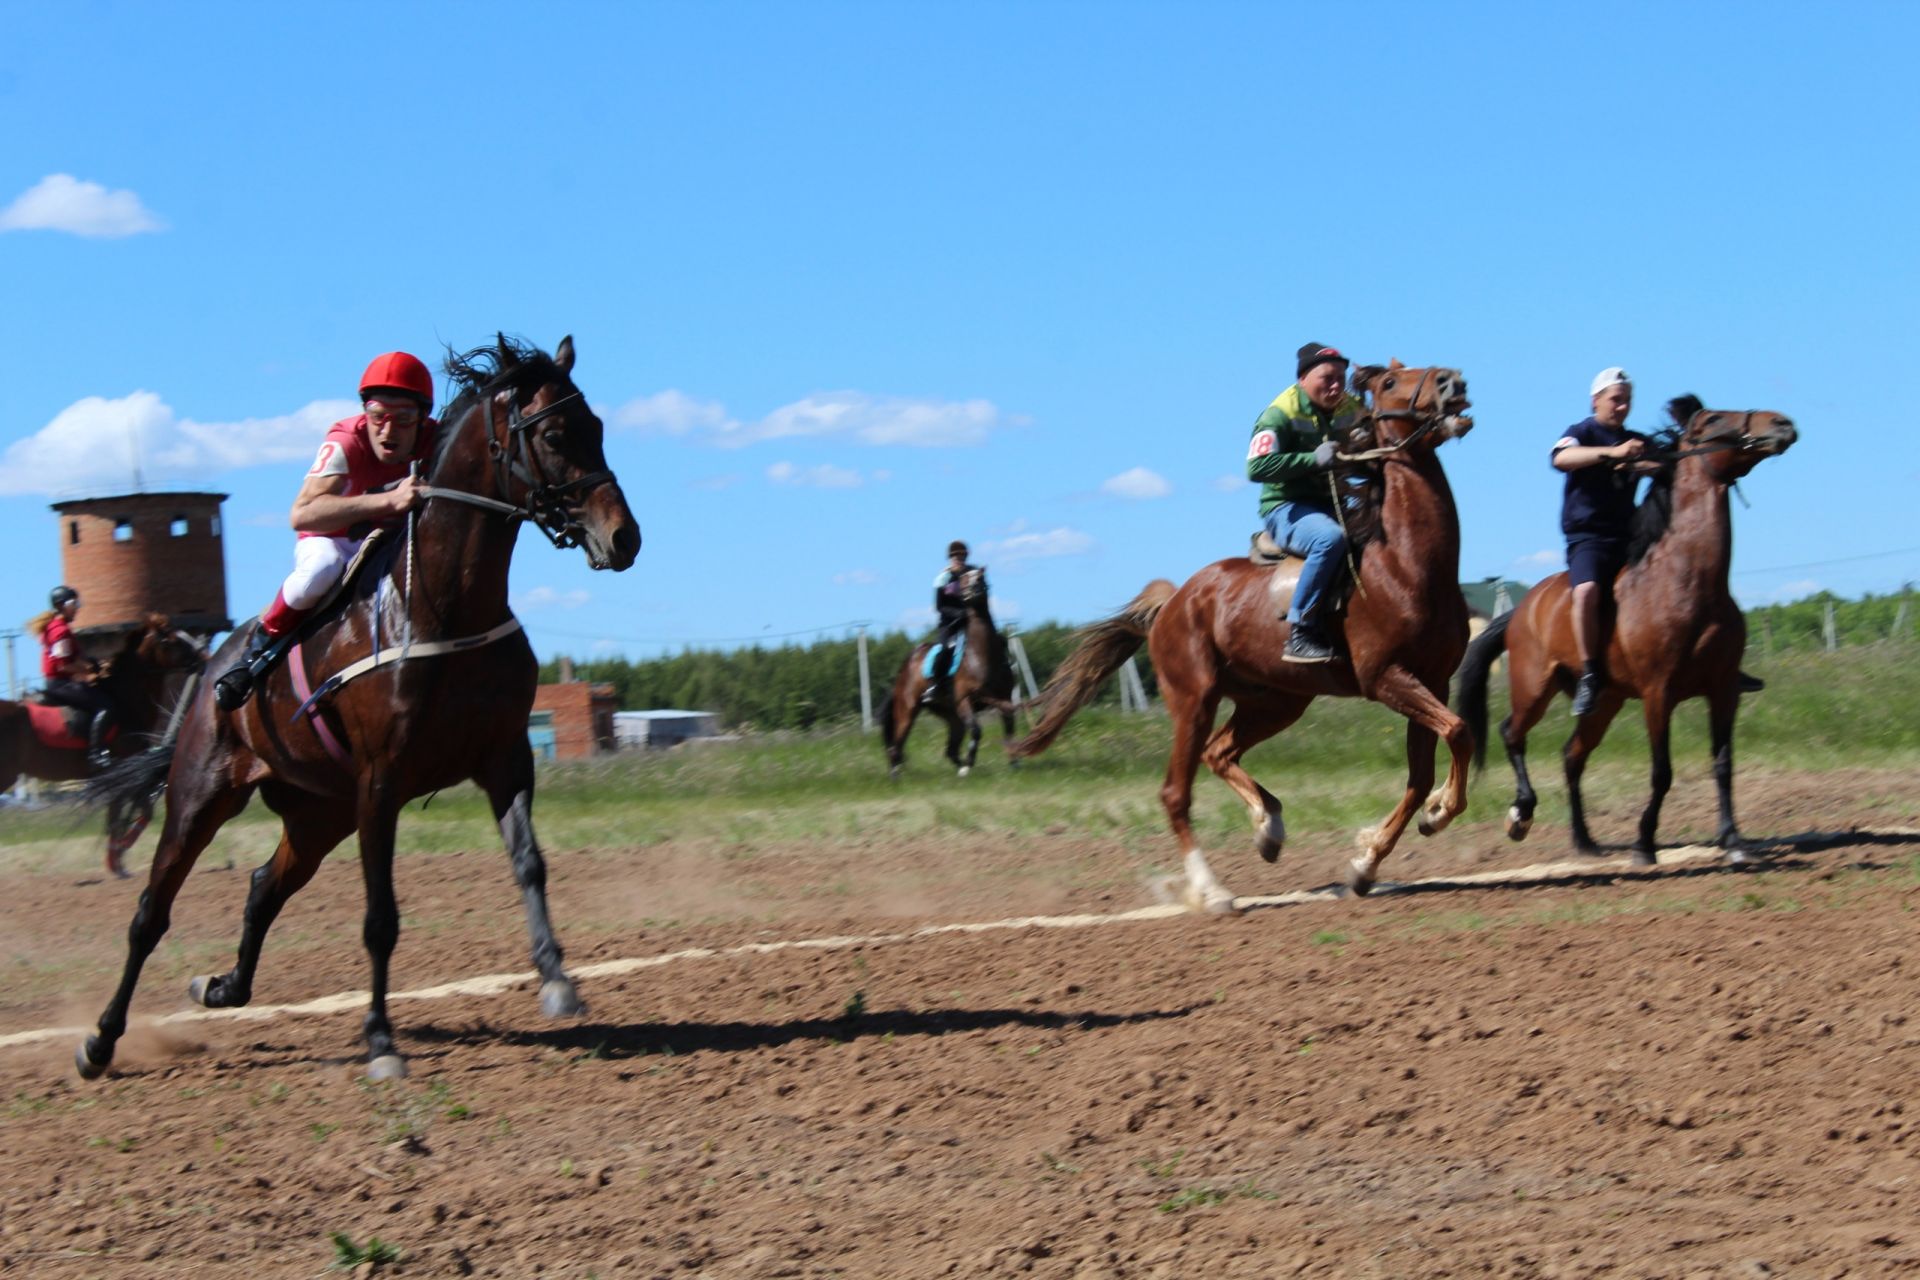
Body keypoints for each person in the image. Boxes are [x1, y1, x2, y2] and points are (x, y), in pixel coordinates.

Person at [212, 352, 437, 711]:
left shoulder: (437, 440)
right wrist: (386, 502)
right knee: (321, 570)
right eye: (378, 417)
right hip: (332, 540)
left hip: (391, 543)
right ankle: (256, 650)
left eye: (404, 420)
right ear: (366, 413)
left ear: (423, 419)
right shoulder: (346, 440)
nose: (389, 431)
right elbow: (301, 515)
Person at [1246, 342, 1369, 662]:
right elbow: (1256, 468)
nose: (1335, 385)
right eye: (1327, 378)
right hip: (1286, 508)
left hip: (1335, 504)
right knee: (1329, 539)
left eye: (1341, 378)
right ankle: (1300, 630)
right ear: (1303, 379)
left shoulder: (1350, 406)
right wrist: (1311, 460)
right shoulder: (1280, 413)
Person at [32, 585, 116, 770]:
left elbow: (73, 658)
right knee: (106, 706)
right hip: (60, 684)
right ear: (61, 605)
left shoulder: (57, 627)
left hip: (60, 682)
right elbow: (64, 665)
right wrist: (89, 672)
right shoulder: (60, 631)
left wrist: (95, 664)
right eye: (74, 603)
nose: (77, 607)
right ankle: (96, 754)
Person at [924, 541, 979, 703]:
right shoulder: (943, 579)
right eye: (956, 557)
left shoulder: (971, 573)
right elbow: (940, 606)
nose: (959, 559)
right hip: (949, 624)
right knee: (944, 650)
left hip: (970, 623)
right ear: (951, 558)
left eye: (962, 556)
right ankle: (934, 685)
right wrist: (959, 613)